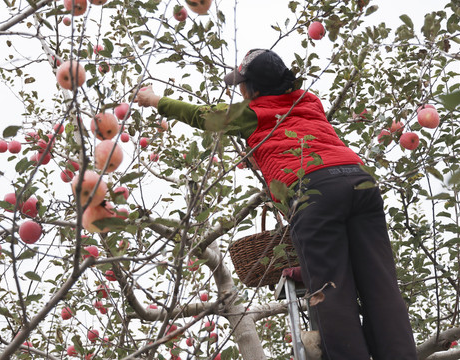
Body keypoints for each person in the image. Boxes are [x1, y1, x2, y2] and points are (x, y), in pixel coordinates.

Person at [135, 48, 418, 360]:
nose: (240, 90)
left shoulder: (252, 113)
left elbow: (203, 116)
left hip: (313, 189)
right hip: (359, 180)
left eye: (243, 84)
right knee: (380, 283)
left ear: (254, 88)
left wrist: (154, 100)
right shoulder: (309, 101)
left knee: (330, 291)